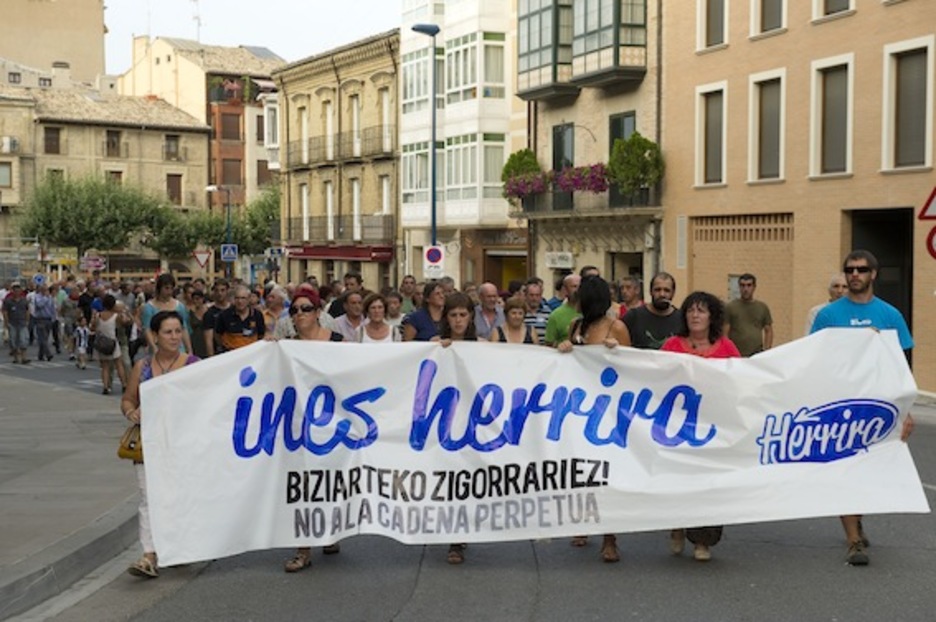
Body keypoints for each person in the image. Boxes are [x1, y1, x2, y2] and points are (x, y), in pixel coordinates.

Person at [810, 249, 914, 566]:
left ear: (873, 274)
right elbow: (816, 359)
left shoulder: (890, 315)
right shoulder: (828, 315)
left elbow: (902, 365)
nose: (854, 274)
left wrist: (906, 409)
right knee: (845, 468)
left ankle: (857, 517)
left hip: (879, 404)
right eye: (849, 270)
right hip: (841, 405)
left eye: (861, 269)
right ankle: (853, 539)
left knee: (869, 470)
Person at [661, 291, 741, 562]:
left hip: (713, 430)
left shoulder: (727, 348)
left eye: (702, 311)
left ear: (712, 317)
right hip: (677, 429)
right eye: (691, 310)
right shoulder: (672, 345)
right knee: (680, 480)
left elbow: (741, 382)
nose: (695, 315)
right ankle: (677, 524)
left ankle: (703, 538)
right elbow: (651, 378)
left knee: (708, 483)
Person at [557, 275, 631, 562]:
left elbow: (636, 367)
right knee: (580, 470)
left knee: (606, 473)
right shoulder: (575, 326)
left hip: (608, 409)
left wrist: (619, 351)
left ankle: (610, 537)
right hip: (579, 407)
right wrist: (563, 348)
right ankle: (582, 523)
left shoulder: (617, 327)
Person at [121, 311, 200, 579]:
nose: (175, 337)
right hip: (148, 445)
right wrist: (131, 412)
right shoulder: (142, 367)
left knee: (179, 496)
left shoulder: (194, 364)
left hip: (182, 445)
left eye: (178, 331)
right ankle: (149, 556)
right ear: (154, 336)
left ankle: (178, 547)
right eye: (168, 332)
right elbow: (128, 400)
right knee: (148, 499)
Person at [283, 291, 342, 572]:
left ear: (318, 311)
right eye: (294, 310)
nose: (299, 314)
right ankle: (303, 549)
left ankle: (329, 532)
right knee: (303, 486)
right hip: (299, 426)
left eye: (306, 308)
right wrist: (268, 348)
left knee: (331, 482)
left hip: (335, 425)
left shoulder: (338, 342)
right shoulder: (286, 347)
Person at [436, 292, 477, 564]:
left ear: (470, 317)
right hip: (444, 423)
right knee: (449, 479)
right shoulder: (435, 346)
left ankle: (462, 534)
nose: (458, 320)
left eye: (463, 315)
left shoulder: (484, 345)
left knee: (469, 479)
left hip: (474, 423)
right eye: (453, 315)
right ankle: (455, 535)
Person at [624, 272, 682, 350]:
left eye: (667, 290)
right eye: (657, 290)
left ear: (673, 293)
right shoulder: (633, 317)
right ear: (650, 291)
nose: (662, 294)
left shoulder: (682, 319)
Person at [141, 274, 192, 355]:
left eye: (171, 288)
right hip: (158, 348)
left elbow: (184, 328)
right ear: (159, 288)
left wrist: (189, 349)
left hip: (178, 348)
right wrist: (154, 347)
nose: (169, 292)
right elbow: (147, 329)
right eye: (166, 288)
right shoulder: (149, 307)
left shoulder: (179, 306)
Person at [724, 273, 773, 357]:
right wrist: (727, 352)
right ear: (739, 287)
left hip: (756, 355)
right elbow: (725, 333)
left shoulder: (762, 307)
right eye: (742, 285)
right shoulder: (730, 307)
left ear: (754, 287)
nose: (745, 289)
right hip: (736, 355)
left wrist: (766, 351)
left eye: (749, 285)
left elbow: (768, 331)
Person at [210, 285, 265, 355]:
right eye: (237, 298)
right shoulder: (224, 315)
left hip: (251, 355)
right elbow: (217, 335)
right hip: (231, 355)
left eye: (243, 298)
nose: (240, 301)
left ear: (248, 299)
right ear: (233, 299)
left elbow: (261, 335)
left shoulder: (257, 315)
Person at [93, 294, 130, 394]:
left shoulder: (98, 315)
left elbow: (93, 327)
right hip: (112, 342)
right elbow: (124, 323)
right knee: (119, 364)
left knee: (105, 367)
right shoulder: (115, 316)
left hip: (102, 342)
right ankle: (124, 384)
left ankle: (106, 387)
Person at [544, 273, 581, 347]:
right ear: (565, 290)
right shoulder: (556, 315)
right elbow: (549, 345)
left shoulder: (592, 312)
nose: (578, 290)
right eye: (574, 286)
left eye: (580, 286)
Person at [3, 282, 30, 364]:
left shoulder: (24, 300)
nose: (17, 293)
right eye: (15, 291)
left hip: (22, 323)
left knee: (23, 340)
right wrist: (6, 322)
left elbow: (27, 311)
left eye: (19, 291)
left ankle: (24, 358)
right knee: (13, 341)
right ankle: (15, 358)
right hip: (12, 323)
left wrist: (27, 320)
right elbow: (5, 312)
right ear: (13, 292)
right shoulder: (8, 301)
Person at [522, 278, 551, 344]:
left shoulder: (548, 312)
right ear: (525, 295)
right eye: (531, 295)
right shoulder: (520, 312)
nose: (534, 298)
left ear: (541, 296)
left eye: (537, 295)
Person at [187, 290, 210, 359]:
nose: (195, 301)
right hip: (195, 341)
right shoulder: (190, 313)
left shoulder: (209, 311)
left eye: (198, 299)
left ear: (202, 299)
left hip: (207, 341)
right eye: (194, 299)